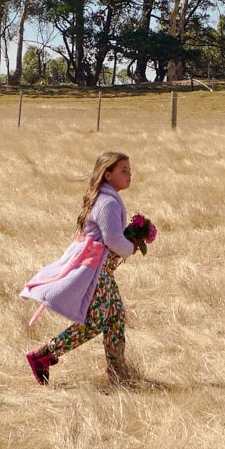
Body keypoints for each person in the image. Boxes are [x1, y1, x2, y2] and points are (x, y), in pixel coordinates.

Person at [23, 149, 139, 387]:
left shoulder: (108, 198)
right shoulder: (107, 202)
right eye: (123, 171)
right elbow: (113, 239)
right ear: (107, 175)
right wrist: (131, 247)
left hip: (104, 272)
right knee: (95, 322)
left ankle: (118, 374)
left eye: (130, 170)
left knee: (115, 317)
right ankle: (44, 355)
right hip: (96, 272)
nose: (129, 175)